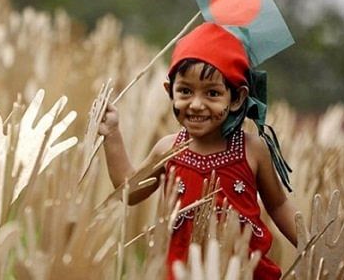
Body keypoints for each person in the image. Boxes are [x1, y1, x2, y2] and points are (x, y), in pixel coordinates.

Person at [98, 22, 297, 279]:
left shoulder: (252, 150)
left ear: (236, 98)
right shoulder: (168, 149)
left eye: (212, 93)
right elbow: (129, 190)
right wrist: (112, 134)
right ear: (170, 92)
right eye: (185, 91)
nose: (196, 104)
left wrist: (316, 245)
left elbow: (279, 205)